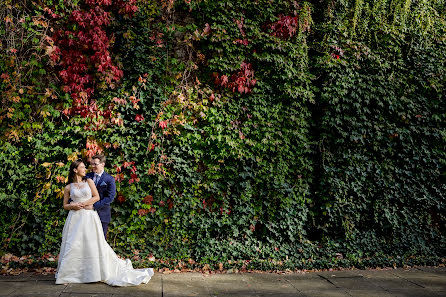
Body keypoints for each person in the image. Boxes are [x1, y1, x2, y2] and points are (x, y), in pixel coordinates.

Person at [55, 159, 154, 286]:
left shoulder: (89, 181)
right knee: (74, 244)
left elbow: (97, 197)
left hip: (89, 216)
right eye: (82, 167)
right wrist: (72, 206)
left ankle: (95, 272)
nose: (86, 169)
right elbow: (65, 205)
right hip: (75, 218)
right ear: (75, 170)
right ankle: (70, 274)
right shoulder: (68, 187)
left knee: (93, 243)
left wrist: (84, 204)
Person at [85, 154, 116, 239]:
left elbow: (110, 197)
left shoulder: (109, 179)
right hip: (86, 213)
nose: (93, 166)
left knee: (101, 239)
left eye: (95, 164)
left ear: (103, 164)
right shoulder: (87, 176)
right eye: (92, 164)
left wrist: (94, 206)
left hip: (102, 214)